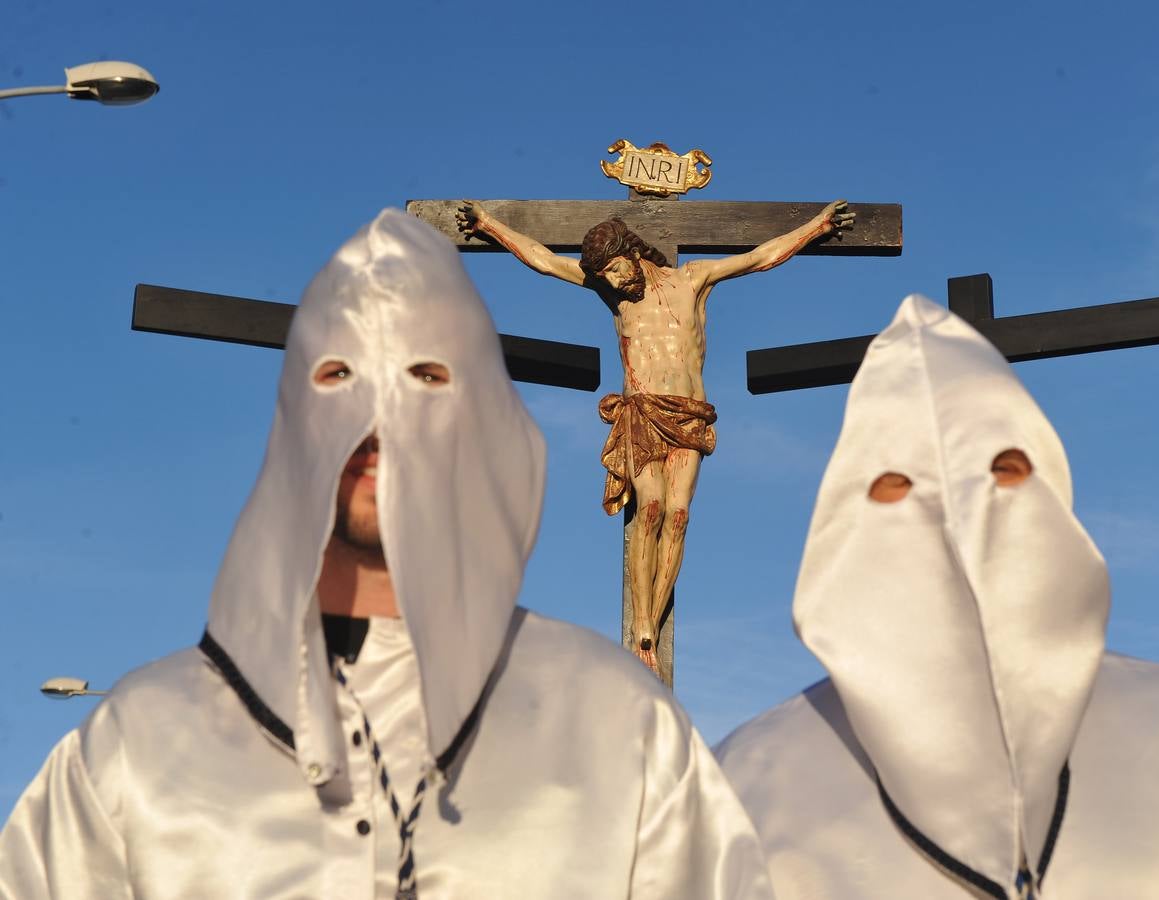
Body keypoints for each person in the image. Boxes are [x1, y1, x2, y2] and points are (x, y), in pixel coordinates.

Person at [0, 210, 774, 899]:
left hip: (679, 428)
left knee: (665, 525)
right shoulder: (140, 742)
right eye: (342, 375)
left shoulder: (617, 721)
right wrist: (496, 229)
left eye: (424, 377)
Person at [715, 294, 1159, 899]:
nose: (958, 516)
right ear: (843, 512)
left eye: (1001, 471)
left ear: (1050, 484)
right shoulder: (752, 782)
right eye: (899, 483)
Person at [456, 199, 854, 674]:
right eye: (604, 277)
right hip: (642, 411)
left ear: (632, 252)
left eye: (616, 271)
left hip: (688, 413)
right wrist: (488, 225)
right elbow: (545, 260)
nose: (614, 282)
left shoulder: (693, 281)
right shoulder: (613, 297)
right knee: (650, 507)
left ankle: (656, 618)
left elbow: (758, 257)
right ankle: (642, 625)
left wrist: (817, 226)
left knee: (679, 515)